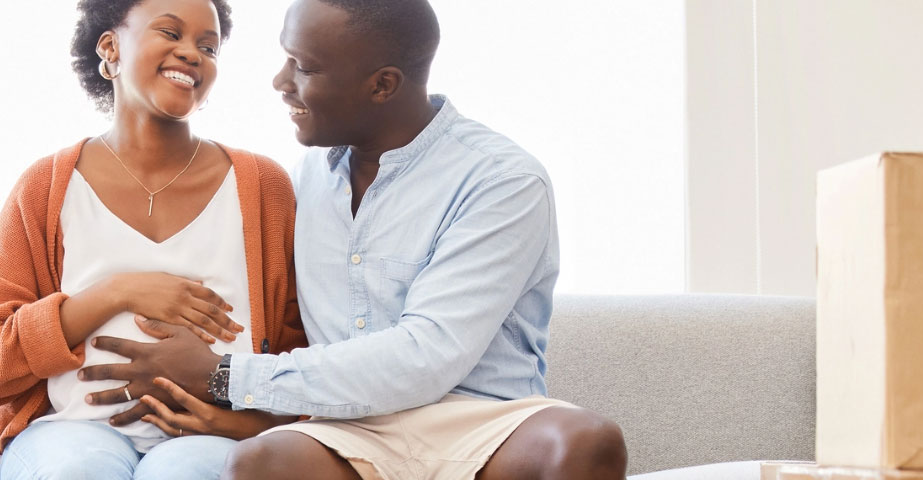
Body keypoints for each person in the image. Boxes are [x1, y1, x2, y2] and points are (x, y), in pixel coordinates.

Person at [76, 0, 630, 478]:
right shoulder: (302, 182)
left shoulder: (503, 181)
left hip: (479, 421)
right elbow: (275, 323)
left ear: (382, 84)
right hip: (347, 429)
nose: (280, 81)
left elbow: (428, 354)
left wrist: (220, 375)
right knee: (255, 465)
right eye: (285, 57)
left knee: (586, 443)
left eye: (305, 67)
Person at [0, 0, 307, 478]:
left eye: (208, 46)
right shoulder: (46, 186)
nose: (192, 54)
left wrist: (245, 423)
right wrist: (116, 292)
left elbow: (307, 358)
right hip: (69, 432)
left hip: (211, 437)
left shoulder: (264, 187)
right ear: (110, 48)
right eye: (170, 33)